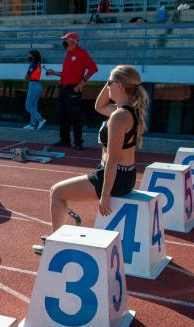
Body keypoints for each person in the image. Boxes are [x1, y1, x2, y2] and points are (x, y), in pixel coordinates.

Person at [33, 65, 147, 254]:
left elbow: (112, 158)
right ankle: (59, 237)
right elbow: (99, 106)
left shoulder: (119, 116)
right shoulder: (126, 111)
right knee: (59, 191)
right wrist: (111, 79)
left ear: (119, 85)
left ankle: (55, 246)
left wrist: (105, 195)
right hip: (125, 175)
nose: (107, 86)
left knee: (57, 192)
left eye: (109, 83)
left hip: (114, 176)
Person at [46, 31, 98, 151]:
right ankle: (65, 140)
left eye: (66, 40)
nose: (64, 42)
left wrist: (82, 82)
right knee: (63, 114)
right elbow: (66, 74)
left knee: (75, 116)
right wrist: (54, 73)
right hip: (63, 87)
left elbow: (94, 68)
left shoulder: (82, 53)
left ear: (73, 42)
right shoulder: (68, 54)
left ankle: (78, 142)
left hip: (73, 88)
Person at [24, 50, 47, 130]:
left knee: (28, 106)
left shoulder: (33, 64)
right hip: (39, 85)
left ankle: (40, 119)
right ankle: (32, 124)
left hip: (33, 85)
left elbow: (27, 76)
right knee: (34, 106)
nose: (29, 57)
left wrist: (27, 77)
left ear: (33, 56)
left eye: (30, 55)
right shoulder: (39, 64)